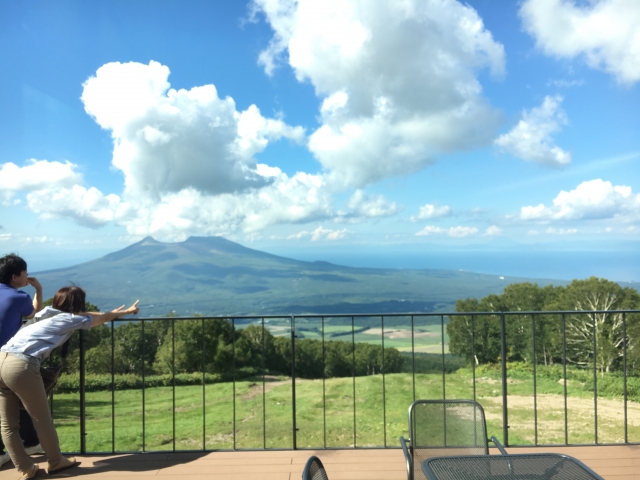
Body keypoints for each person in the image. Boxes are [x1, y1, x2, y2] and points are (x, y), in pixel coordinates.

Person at [0, 285, 139, 479]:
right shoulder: (68, 320)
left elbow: (83, 314)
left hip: (1, 359)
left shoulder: (45, 314)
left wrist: (111, 312)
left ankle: (25, 468)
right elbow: (99, 319)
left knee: (7, 425)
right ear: (78, 305)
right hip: (21, 365)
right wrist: (125, 312)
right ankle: (56, 462)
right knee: (42, 419)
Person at [0, 254, 44, 467]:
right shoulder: (18, 297)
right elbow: (34, 315)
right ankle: (31, 444)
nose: (27, 275)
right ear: (15, 276)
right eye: (25, 272)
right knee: (21, 401)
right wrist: (38, 290)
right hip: (8, 358)